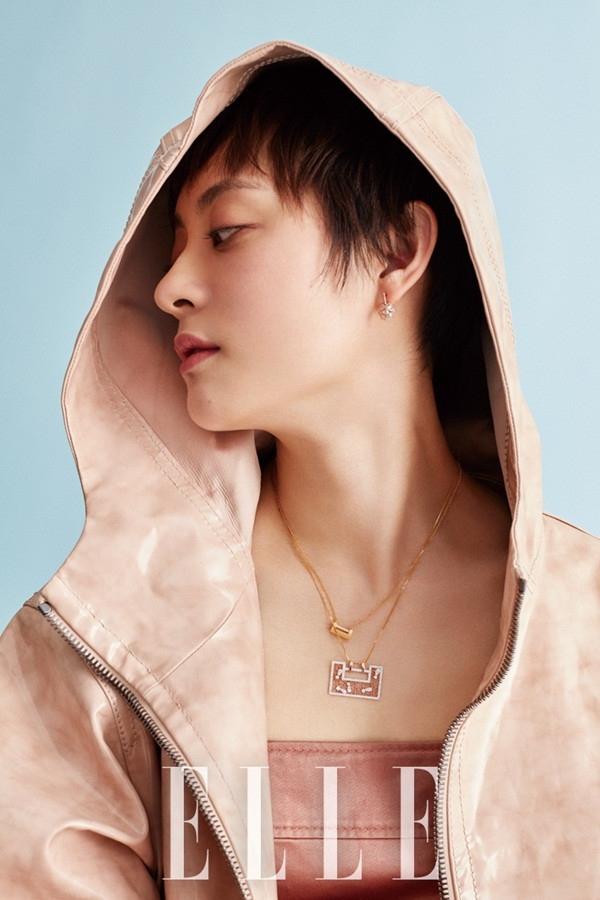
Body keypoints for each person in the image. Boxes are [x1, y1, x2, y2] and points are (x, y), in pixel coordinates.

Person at [1, 39, 598, 899]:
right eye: (172, 247)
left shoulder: (582, 624)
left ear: (396, 249)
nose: (170, 286)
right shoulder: (97, 641)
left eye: (226, 232)